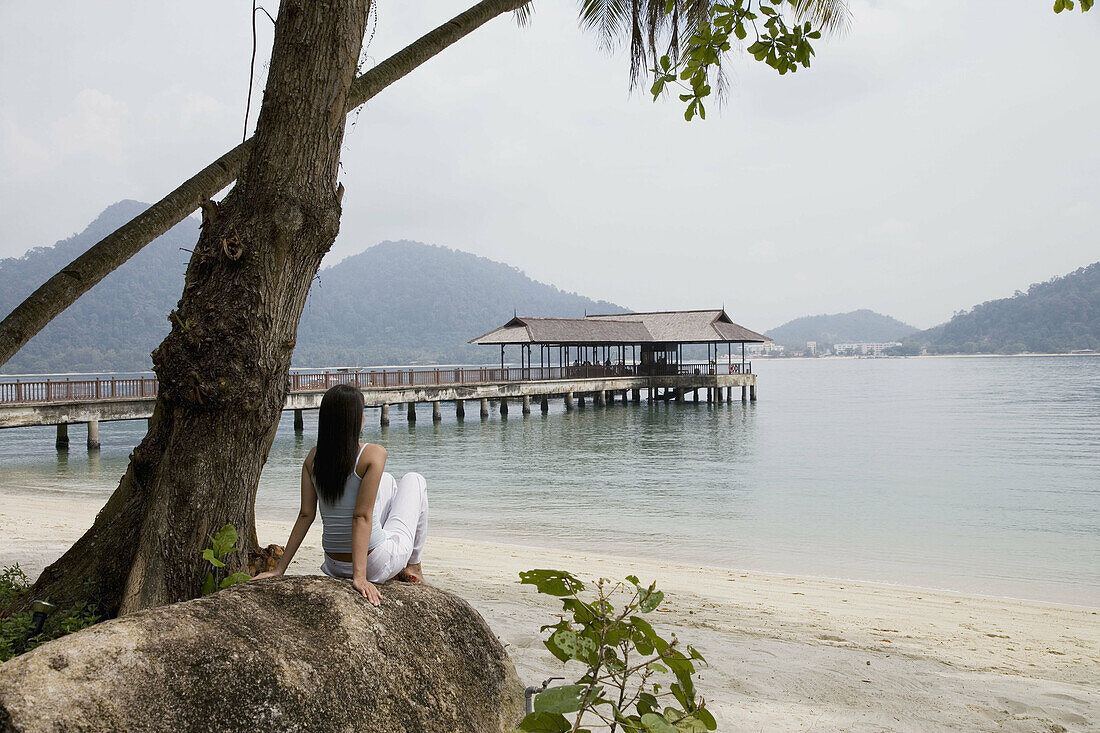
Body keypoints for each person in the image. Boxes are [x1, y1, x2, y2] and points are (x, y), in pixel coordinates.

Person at [254, 383, 428, 606]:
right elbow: (360, 516)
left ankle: (388, 553)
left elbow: (306, 515)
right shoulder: (374, 453)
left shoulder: (312, 458)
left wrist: (279, 569)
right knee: (414, 479)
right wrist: (360, 577)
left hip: (334, 565)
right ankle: (413, 565)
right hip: (373, 562)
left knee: (387, 481)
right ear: (356, 419)